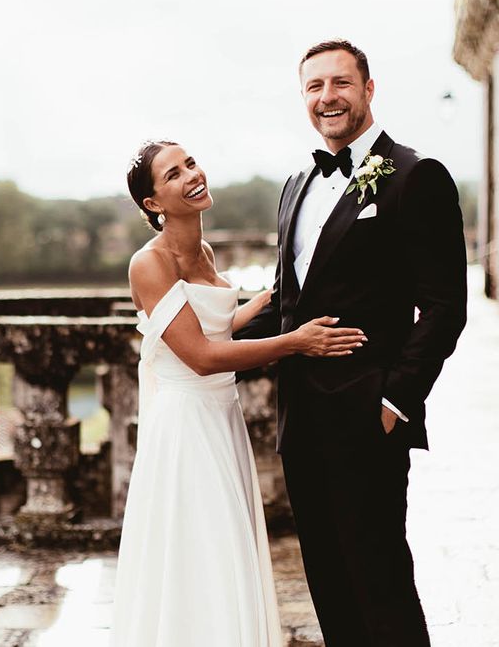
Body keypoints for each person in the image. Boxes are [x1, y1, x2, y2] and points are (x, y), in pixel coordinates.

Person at [235, 39, 468, 646]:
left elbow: (445, 306)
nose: (327, 97)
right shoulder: (295, 184)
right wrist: (203, 341)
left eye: (340, 83)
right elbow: (289, 302)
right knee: (329, 580)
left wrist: (396, 400)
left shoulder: (417, 177)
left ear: (368, 90)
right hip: (301, 417)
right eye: (313, 87)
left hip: (368, 416)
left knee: (380, 575)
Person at [109, 139, 368, 647]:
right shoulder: (150, 264)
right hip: (186, 425)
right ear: (153, 203)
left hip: (221, 415)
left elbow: (219, 324)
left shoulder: (203, 252)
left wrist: (282, 295)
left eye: (191, 163)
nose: (191, 175)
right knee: (204, 545)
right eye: (173, 175)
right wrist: (295, 342)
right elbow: (201, 355)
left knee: (227, 544)